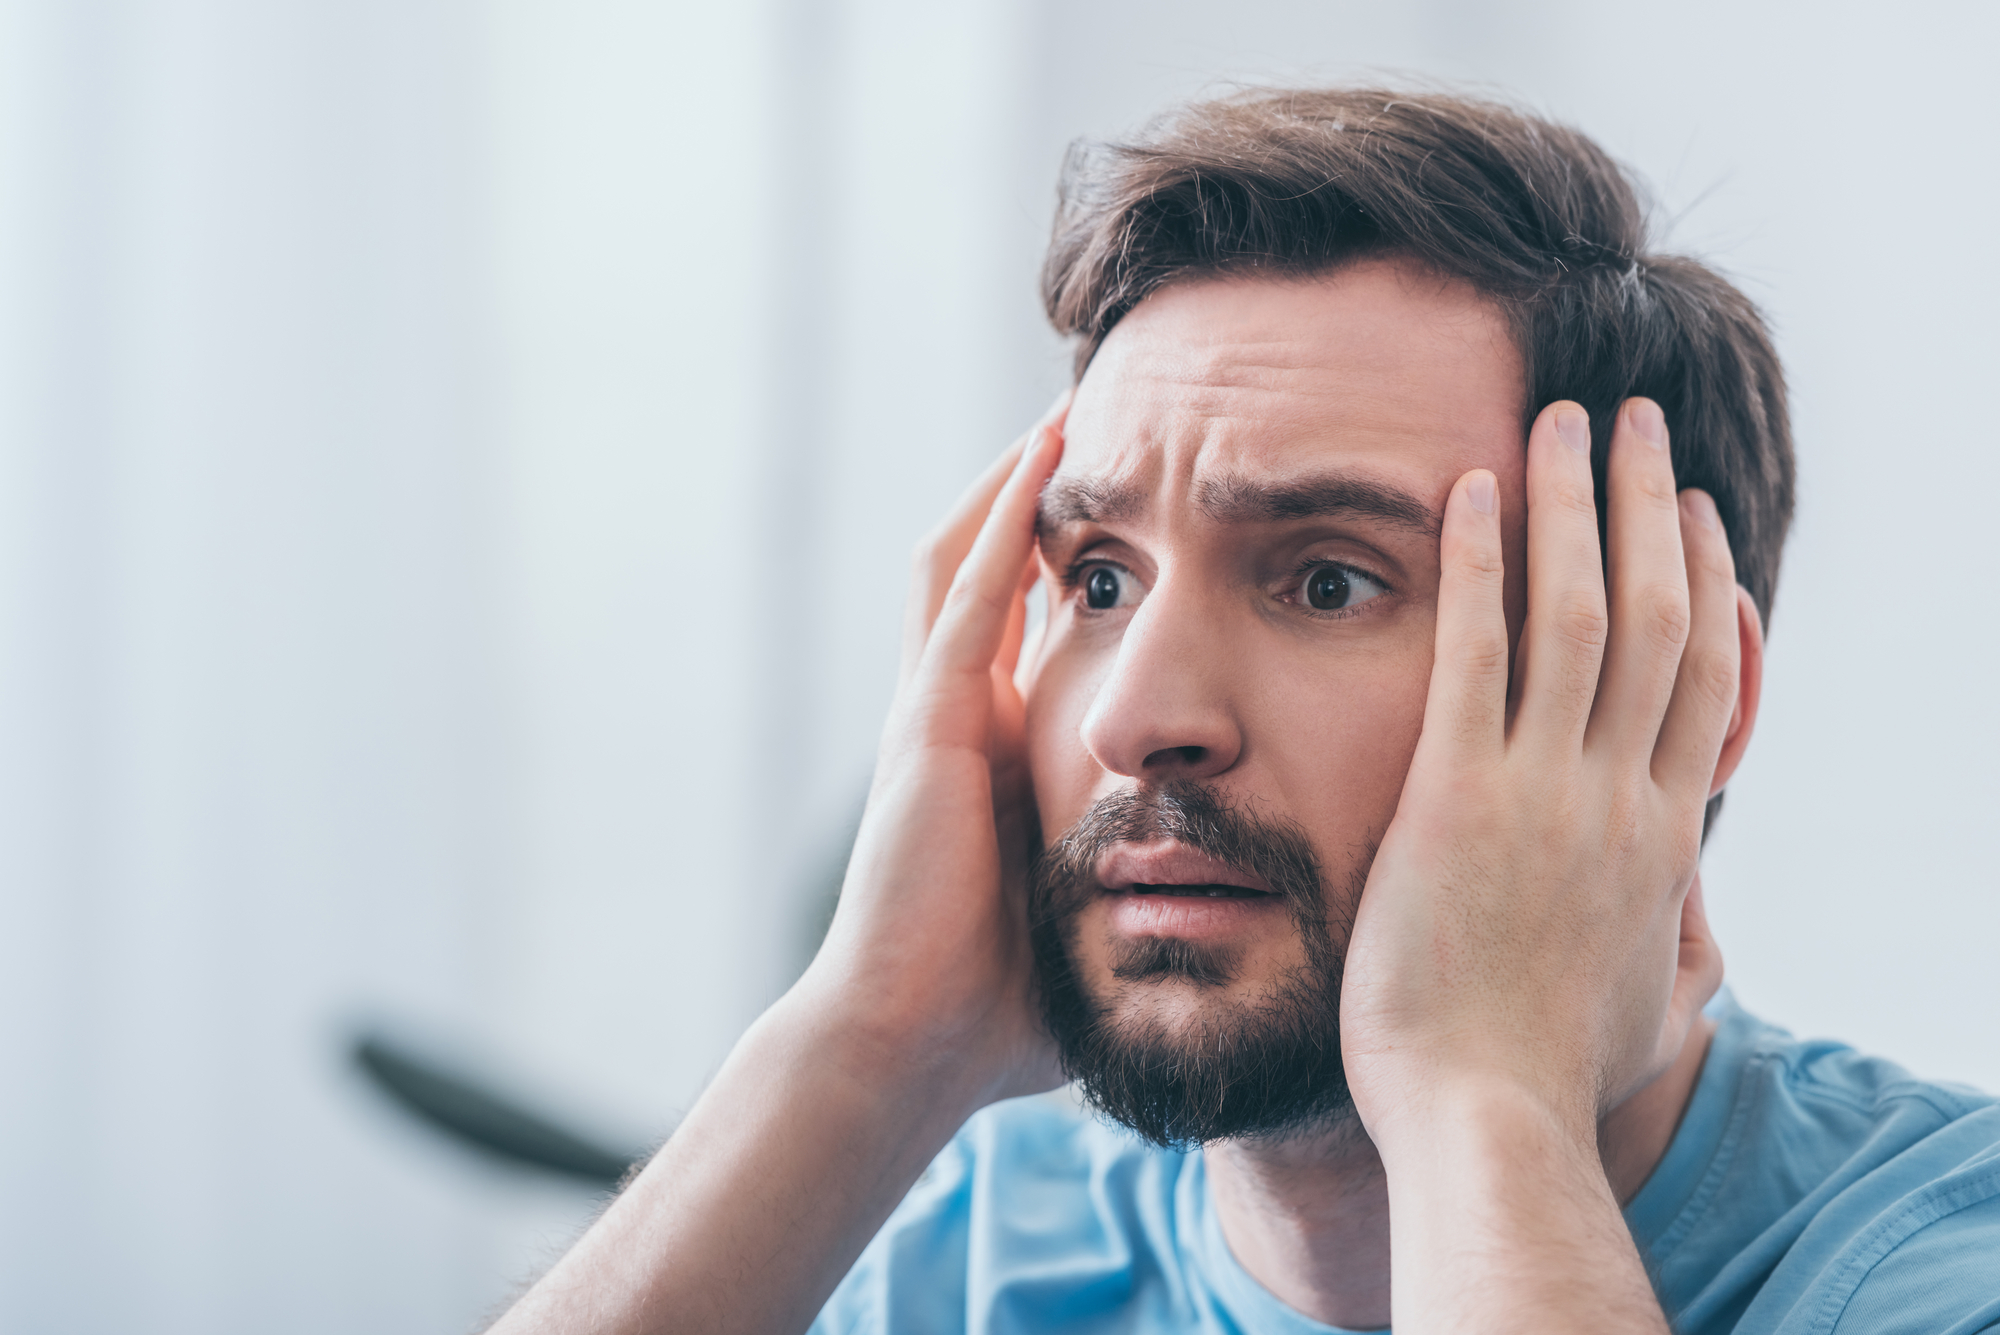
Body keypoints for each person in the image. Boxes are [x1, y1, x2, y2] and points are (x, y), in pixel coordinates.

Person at [489, 88, 2000, 1335]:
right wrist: (863, 1048)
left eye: (1329, 581)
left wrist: (1487, 1108)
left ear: (1681, 689)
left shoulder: (1943, 1270)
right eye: (1096, 580)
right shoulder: (968, 1250)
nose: (1132, 718)